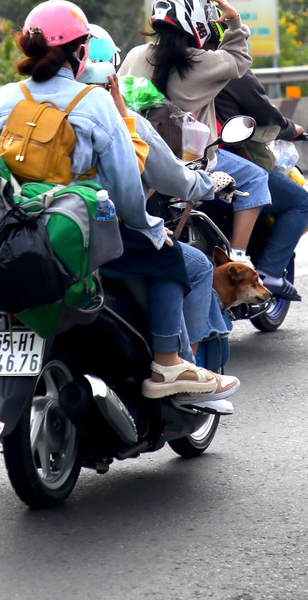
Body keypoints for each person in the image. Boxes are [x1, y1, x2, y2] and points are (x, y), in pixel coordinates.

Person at [0, 0, 236, 401]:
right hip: (82, 238)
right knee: (170, 256)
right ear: (81, 53)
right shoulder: (97, 104)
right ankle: (168, 363)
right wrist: (150, 228)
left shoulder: (6, 97)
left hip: (18, 234)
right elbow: (127, 187)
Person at [77, 26, 233, 374]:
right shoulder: (122, 123)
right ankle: (176, 364)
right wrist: (204, 186)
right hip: (103, 238)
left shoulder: (19, 104)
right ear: (111, 78)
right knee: (185, 261)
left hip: (45, 231)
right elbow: (150, 186)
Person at [119, 0, 271, 267]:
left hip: (136, 156)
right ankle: (238, 257)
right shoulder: (199, 62)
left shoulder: (135, 55)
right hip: (192, 161)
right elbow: (239, 60)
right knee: (256, 178)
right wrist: (234, 21)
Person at [214, 69, 308, 301]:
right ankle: (266, 270)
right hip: (222, 153)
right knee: (300, 201)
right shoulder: (230, 68)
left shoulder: (162, 62)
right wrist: (292, 129)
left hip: (181, 150)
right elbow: (267, 115)